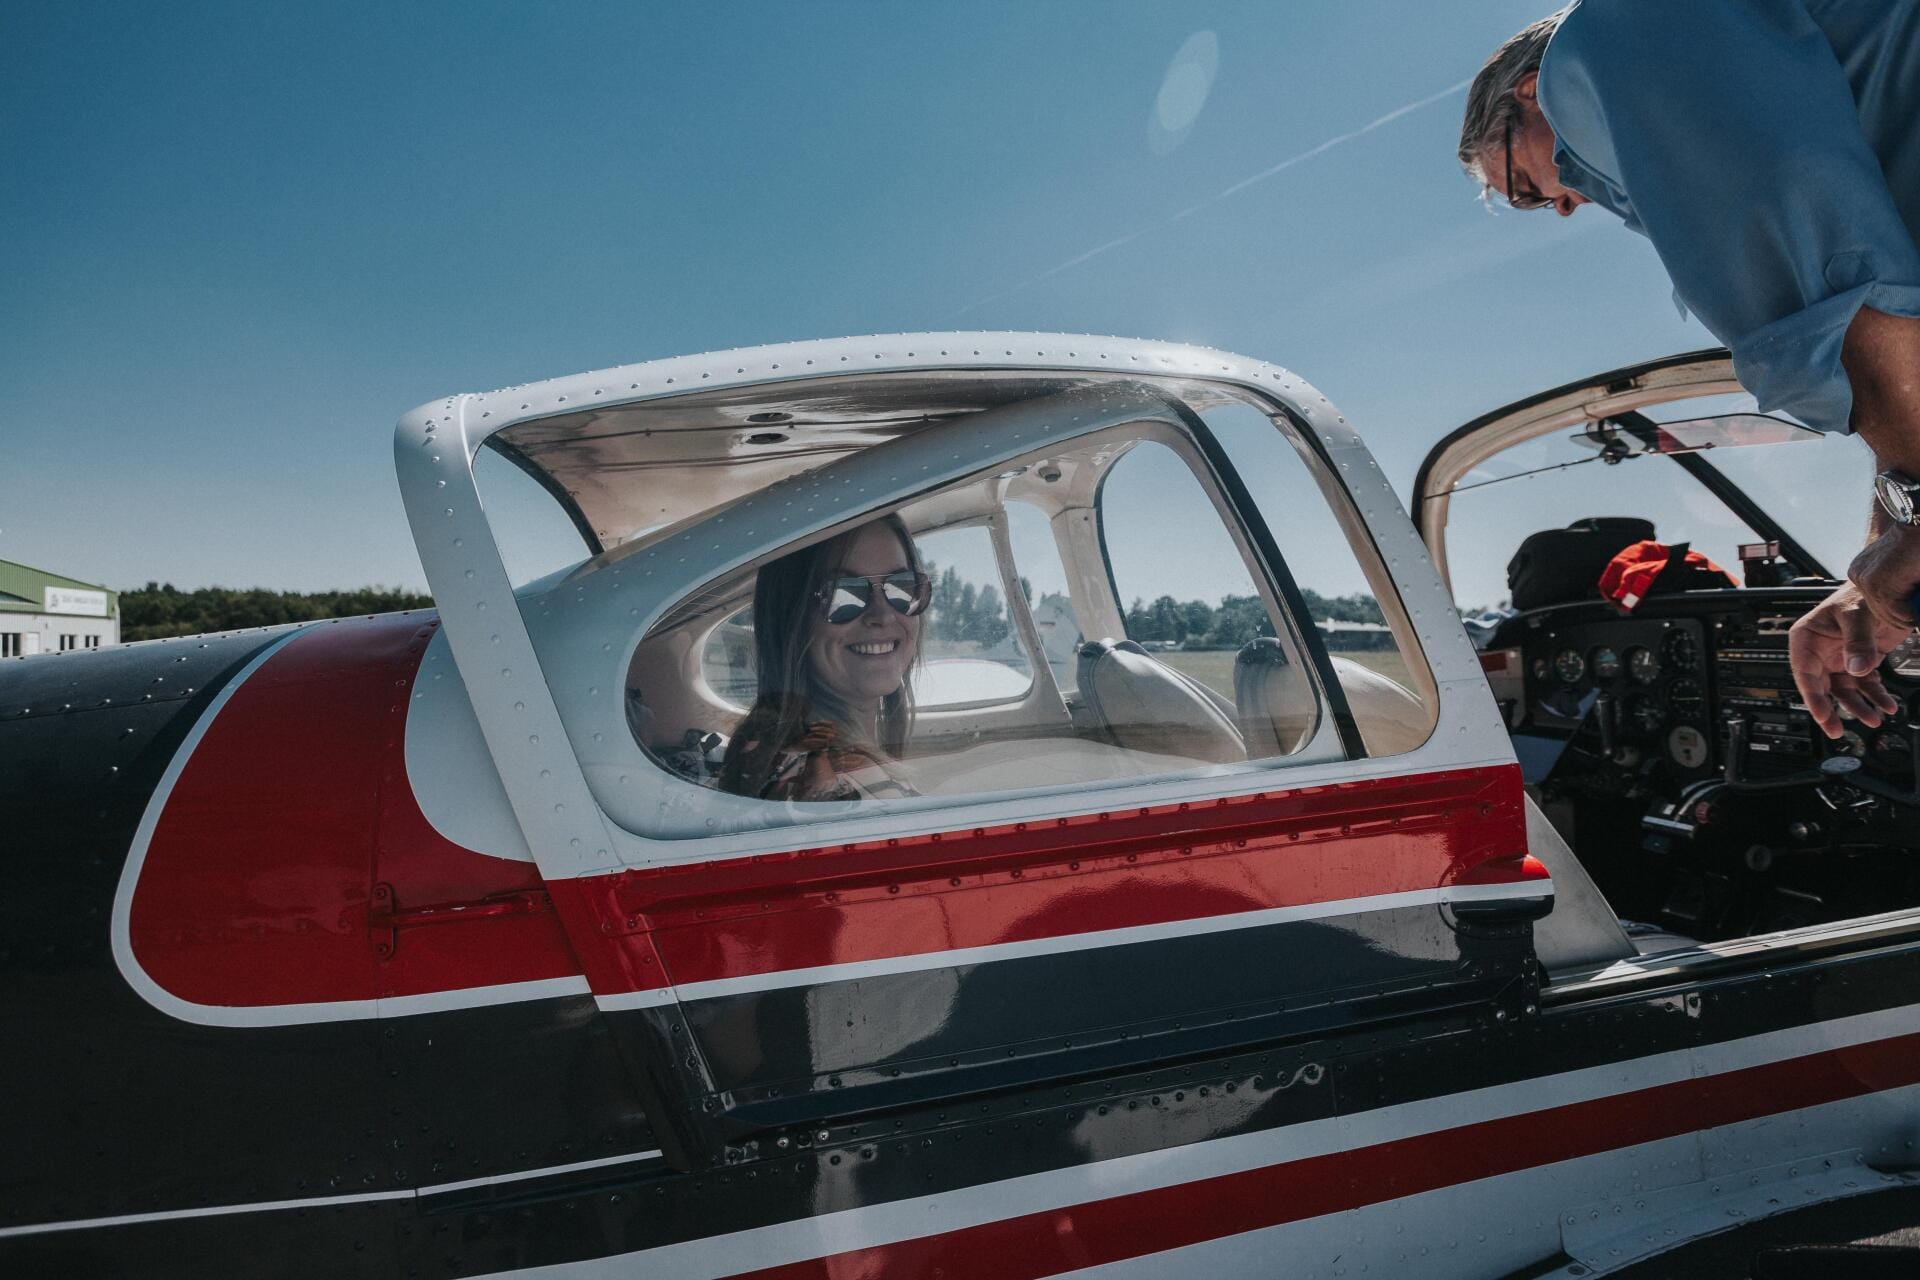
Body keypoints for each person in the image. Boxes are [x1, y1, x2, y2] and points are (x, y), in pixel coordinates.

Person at [1458, 1, 1920, 739]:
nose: (1559, 209)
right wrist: (1878, 562)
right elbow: (1896, 330)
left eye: (1522, 190)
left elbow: (1834, 281)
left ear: (1530, 92)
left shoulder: (1614, 37)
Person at [716, 515, 928, 802]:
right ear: (790, 616)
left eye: (902, 587)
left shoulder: (773, 745)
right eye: (842, 593)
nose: (884, 615)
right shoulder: (832, 778)